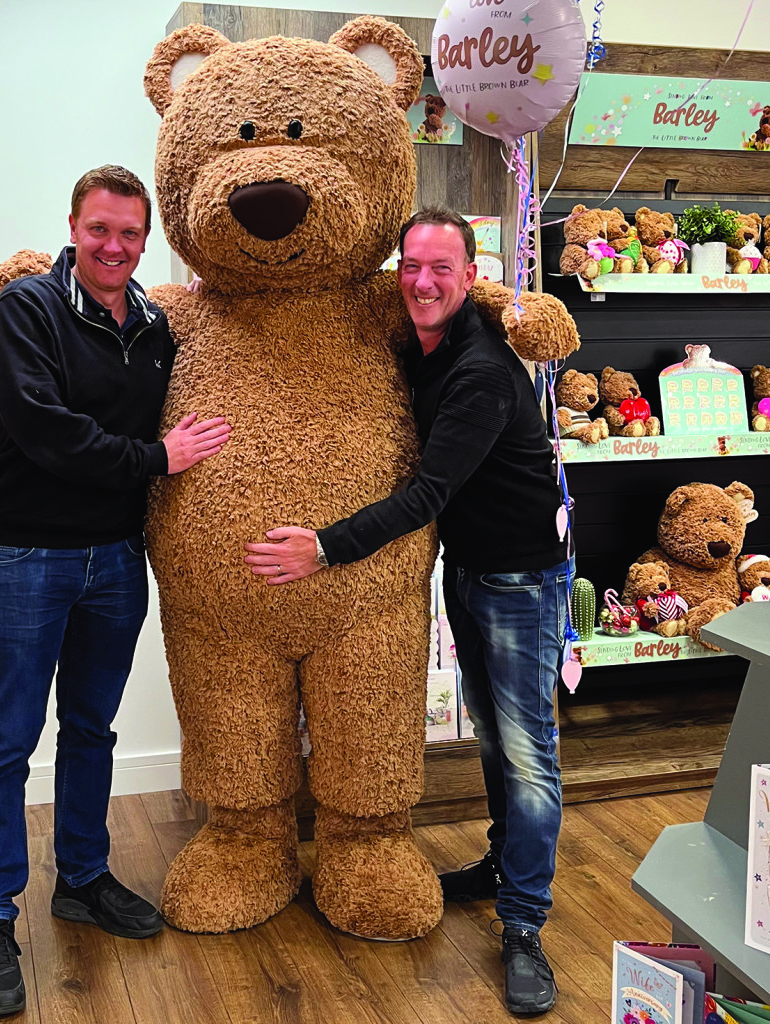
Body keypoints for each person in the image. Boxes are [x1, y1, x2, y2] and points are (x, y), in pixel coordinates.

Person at [244, 207, 571, 1016]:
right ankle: (502, 865)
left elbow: (427, 493)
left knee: (529, 755)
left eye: (442, 269)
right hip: (469, 571)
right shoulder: (423, 343)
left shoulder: (481, 372)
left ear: (468, 276)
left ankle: (525, 924)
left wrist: (322, 547)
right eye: (412, 266)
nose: (423, 283)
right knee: (494, 737)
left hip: (522, 580)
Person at [0, 165, 232, 1019]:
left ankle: (81, 876)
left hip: (115, 559)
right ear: (73, 228)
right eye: (99, 230)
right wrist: (157, 460)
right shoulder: (28, 310)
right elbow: (45, 431)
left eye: (128, 234)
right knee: (6, 739)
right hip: (27, 555)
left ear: (144, 240)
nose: (114, 247)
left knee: (91, 729)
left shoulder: (155, 323)